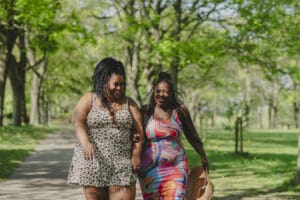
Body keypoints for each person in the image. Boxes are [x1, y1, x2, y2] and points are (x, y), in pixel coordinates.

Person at [67, 57, 144, 200]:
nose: (119, 88)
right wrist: (85, 143)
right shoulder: (89, 98)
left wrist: (136, 155)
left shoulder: (130, 104)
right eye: (115, 84)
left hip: (122, 165)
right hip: (94, 164)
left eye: (122, 84)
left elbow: (139, 132)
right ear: (103, 82)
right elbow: (77, 121)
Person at [137, 72, 209, 199]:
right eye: (158, 91)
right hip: (150, 170)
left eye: (165, 92)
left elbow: (192, 135)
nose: (161, 95)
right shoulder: (146, 111)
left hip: (177, 167)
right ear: (153, 91)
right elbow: (138, 135)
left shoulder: (180, 111)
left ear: (171, 93)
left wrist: (203, 155)